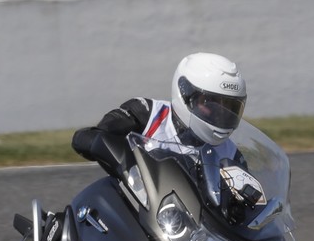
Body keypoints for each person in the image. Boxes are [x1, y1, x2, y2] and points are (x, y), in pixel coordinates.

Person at [71, 51, 248, 172]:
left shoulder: (230, 154)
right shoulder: (147, 113)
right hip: (130, 206)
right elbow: (88, 137)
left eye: (229, 108)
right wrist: (116, 154)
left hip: (181, 224)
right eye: (211, 104)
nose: (220, 114)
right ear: (186, 94)